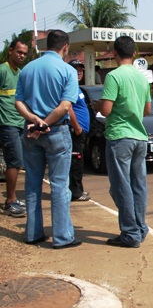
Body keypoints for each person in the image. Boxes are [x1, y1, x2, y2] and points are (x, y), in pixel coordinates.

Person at [15, 30, 81, 249]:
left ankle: (33, 233)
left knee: (32, 183)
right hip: (56, 132)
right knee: (59, 185)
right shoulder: (68, 70)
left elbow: (19, 102)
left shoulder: (27, 69)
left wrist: (34, 120)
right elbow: (64, 106)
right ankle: (63, 237)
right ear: (65, 47)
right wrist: (45, 123)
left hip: (31, 131)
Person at [94, 36, 152, 248]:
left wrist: (98, 106)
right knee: (138, 185)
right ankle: (140, 227)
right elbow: (147, 110)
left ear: (115, 54)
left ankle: (130, 233)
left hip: (119, 137)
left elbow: (106, 110)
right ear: (134, 54)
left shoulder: (113, 76)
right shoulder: (142, 78)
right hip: (140, 137)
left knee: (121, 187)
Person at [0, 39, 28, 217]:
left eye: (24, 54)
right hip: (7, 124)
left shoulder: (20, 73)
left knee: (17, 163)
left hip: (19, 123)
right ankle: (10, 201)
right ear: (10, 51)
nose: (21, 56)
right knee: (14, 162)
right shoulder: (3, 70)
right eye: (19, 52)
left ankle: (13, 198)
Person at [67, 60, 91, 201]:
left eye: (81, 70)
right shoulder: (70, 87)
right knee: (76, 162)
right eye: (76, 70)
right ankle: (76, 192)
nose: (79, 72)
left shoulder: (78, 88)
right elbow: (68, 108)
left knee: (78, 161)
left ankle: (78, 189)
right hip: (76, 132)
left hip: (81, 132)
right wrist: (77, 128)